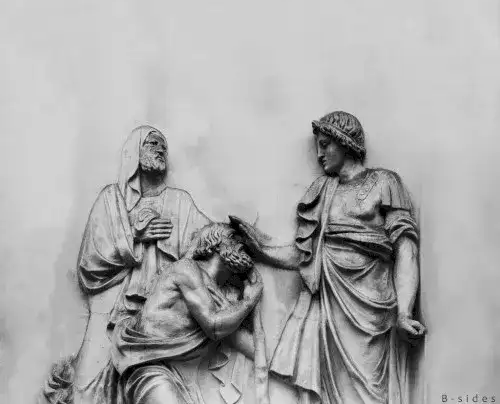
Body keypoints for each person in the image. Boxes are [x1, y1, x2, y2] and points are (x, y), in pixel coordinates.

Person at [230, 110, 426, 404]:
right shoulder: (323, 191)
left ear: (345, 143)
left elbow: (406, 246)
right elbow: (304, 255)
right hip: (329, 310)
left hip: (372, 310)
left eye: (325, 145)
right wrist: (260, 247)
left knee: (372, 394)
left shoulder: (385, 182)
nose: (319, 155)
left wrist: (404, 313)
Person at [43, 126, 211, 403]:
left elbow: (208, 240)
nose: (161, 149)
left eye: (164, 146)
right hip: (112, 312)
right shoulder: (112, 201)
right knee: (87, 387)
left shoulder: (179, 202)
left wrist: (241, 242)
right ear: (134, 153)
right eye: (152, 143)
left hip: (157, 319)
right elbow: (90, 263)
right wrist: (134, 236)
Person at [109, 222, 263, 404]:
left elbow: (247, 345)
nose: (241, 245)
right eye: (233, 238)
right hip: (150, 366)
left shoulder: (221, 298)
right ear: (215, 243)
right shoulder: (186, 269)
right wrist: (249, 301)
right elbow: (215, 326)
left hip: (183, 376)